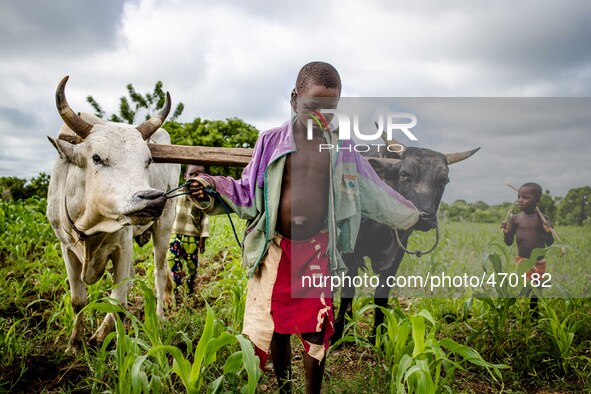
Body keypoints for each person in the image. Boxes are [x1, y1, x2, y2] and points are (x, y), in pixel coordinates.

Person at [189, 61, 419, 393]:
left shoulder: (343, 149)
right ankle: (283, 387)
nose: (321, 115)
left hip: (317, 249)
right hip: (277, 249)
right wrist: (210, 186)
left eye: (331, 107)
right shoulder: (270, 141)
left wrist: (410, 214)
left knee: (315, 329)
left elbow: (374, 191)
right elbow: (246, 190)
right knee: (279, 327)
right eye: (313, 105)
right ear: (294, 98)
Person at [501, 182, 554, 317]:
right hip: (523, 261)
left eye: (524, 197)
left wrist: (548, 231)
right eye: (519, 196)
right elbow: (508, 243)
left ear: (537, 200)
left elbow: (549, 243)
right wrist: (506, 233)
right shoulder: (515, 219)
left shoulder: (543, 219)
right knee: (528, 288)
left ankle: (533, 315)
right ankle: (527, 315)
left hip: (539, 261)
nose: (520, 200)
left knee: (537, 290)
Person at [168, 165, 209, 294]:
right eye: (191, 174)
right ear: (185, 176)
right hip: (174, 235)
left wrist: (203, 238)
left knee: (192, 265)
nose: (194, 178)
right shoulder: (176, 194)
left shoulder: (202, 198)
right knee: (172, 263)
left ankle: (190, 287)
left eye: (198, 175)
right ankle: (175, 290)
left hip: (193, 237)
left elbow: (204, 219)